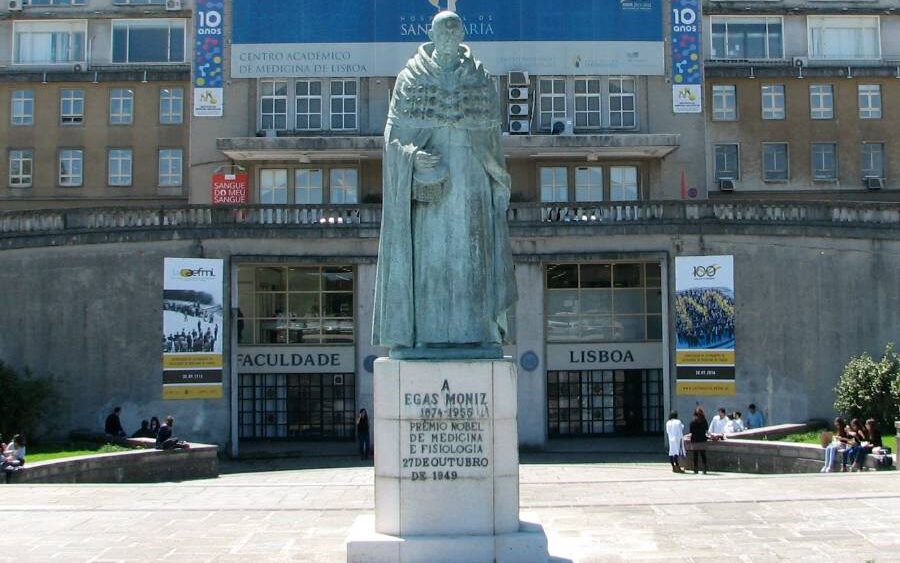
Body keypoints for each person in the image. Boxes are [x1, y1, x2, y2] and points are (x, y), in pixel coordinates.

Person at [372, 10, 516, 359]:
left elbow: (493, 140)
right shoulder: (410, 78)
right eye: (444, 34)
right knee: (430, 263)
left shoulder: (481, 80)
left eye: (455, 34)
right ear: (432, 36)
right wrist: (411, 156)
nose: (450, 40)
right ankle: (424, 335)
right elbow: (392, 136)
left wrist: (497, 185)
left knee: (474, 260)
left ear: (462, 36)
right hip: (431, 189)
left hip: (473, 183)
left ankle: (478, 333)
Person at [689, 408, 709, 474]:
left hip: (695, 440)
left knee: (695, 455)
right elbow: (706, 429)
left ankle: (695, 469)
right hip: (702, 439)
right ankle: (705, 469)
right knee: (703, 454)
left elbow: (691, 431)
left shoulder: (692, 422)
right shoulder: (704, 421)